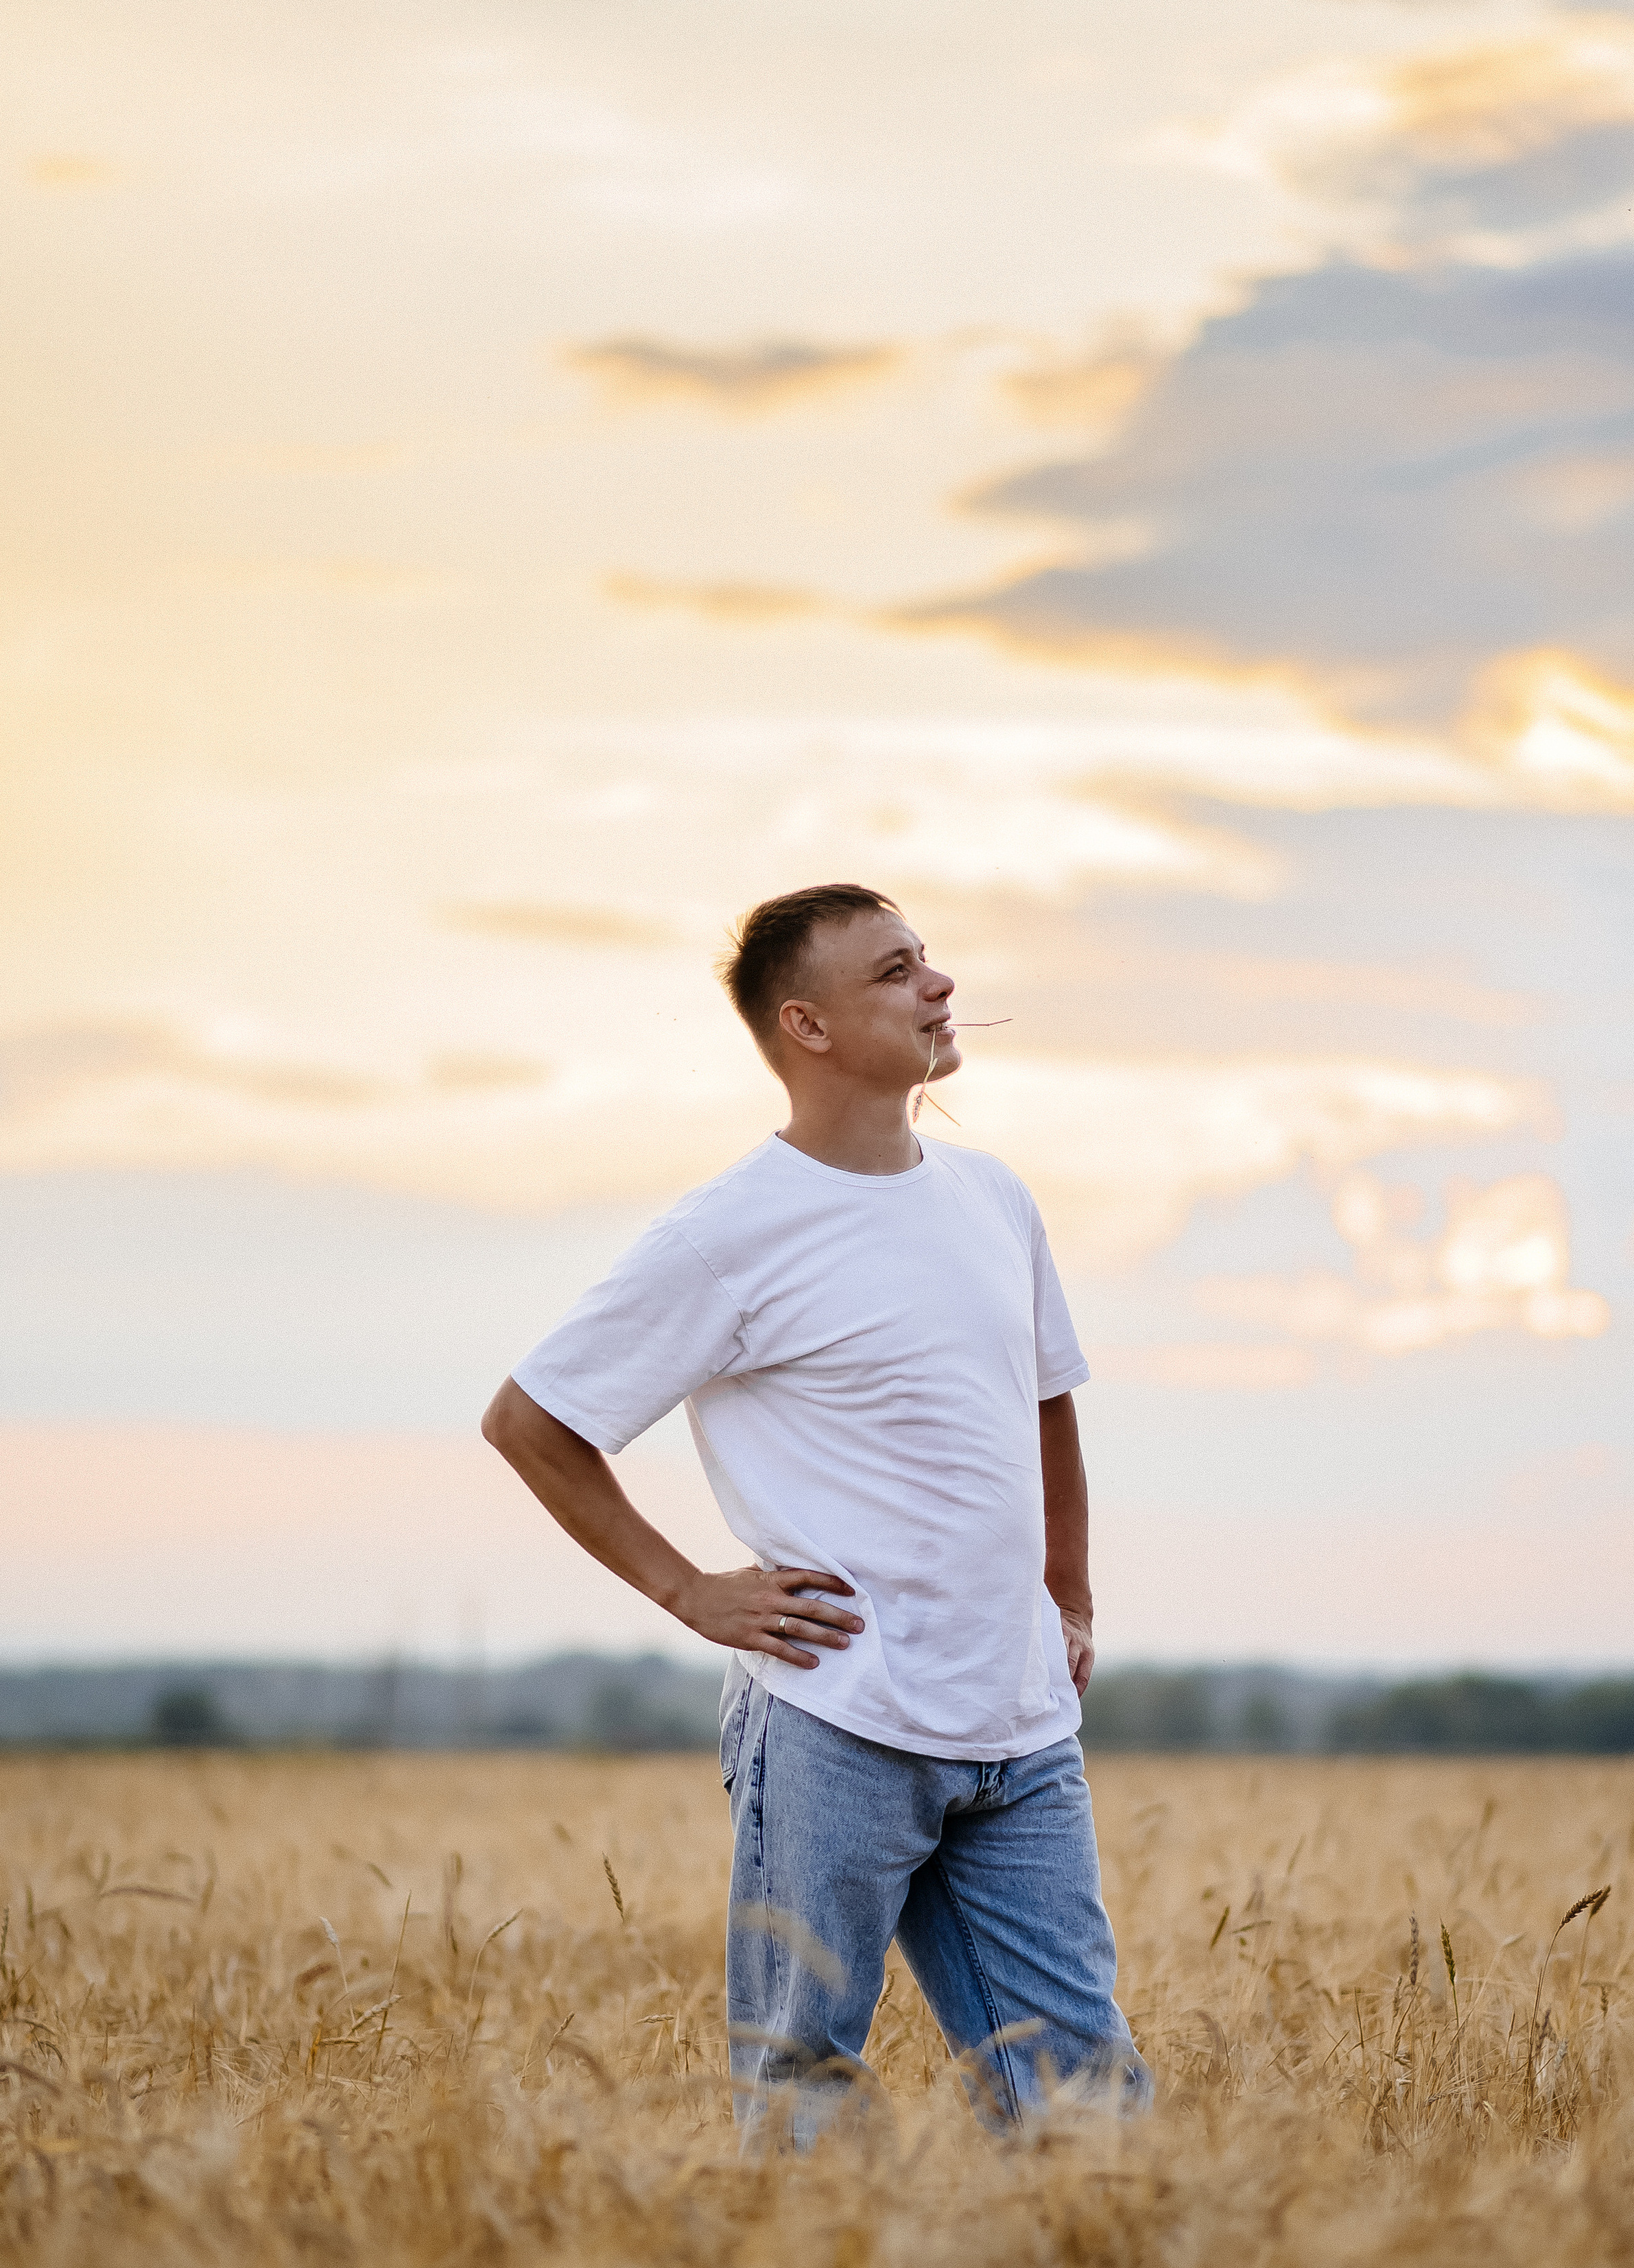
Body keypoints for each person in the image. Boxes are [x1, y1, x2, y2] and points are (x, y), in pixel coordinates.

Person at [482, 883, 1150, 2140]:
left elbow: (1047, 1401)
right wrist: (691, 1590)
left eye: (928, 959)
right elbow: (531, 1421)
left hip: (1018, 1726)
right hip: (837, 1717)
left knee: (1083, 2093)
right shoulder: (726, 1235)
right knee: (802, 2084)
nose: (939, 985)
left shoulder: (995, 1196)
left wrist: (1069, 1594)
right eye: (896, 971)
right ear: (809, 1024)